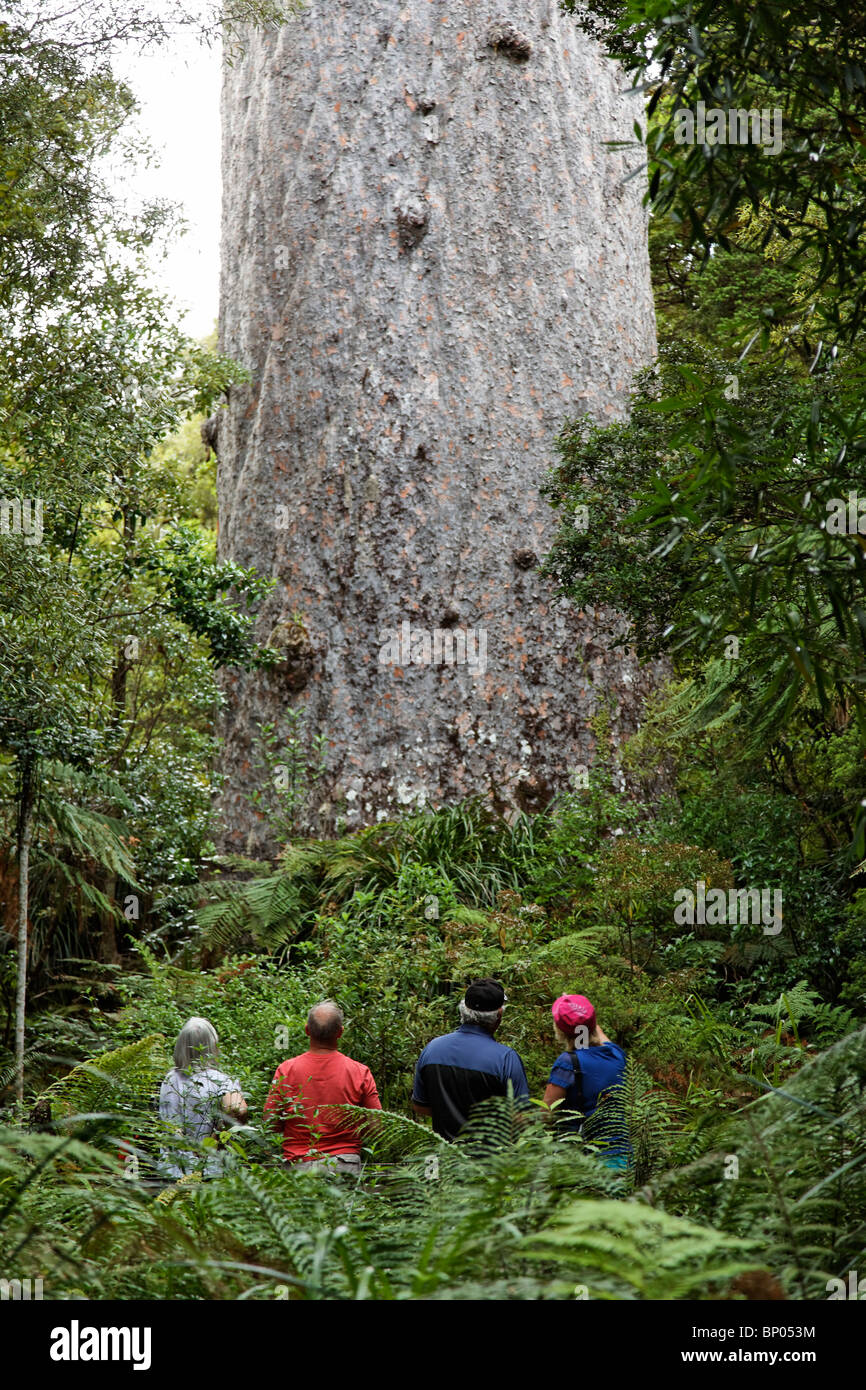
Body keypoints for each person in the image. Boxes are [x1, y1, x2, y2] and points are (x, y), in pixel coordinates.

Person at [264, 1000, 381, 1176]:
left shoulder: (286, 1070)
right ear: (340, 1032)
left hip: (298, 1165)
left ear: (307, 1030)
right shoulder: (359, 1072)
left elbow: (270, 1123)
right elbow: (376, 1128)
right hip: (344, 1164)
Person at [412, 978, 530, 1140]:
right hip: (490, 1159)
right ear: (499, 1016)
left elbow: (420, 1106)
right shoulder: (505, 1059)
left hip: (445, 1156)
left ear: (462, 1009)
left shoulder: (432, 1049)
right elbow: (521, 1120)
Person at [542, 994, 628, 1167]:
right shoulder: (616, 1054)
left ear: (560, 1030)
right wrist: (577, 1007)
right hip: (622, 1156)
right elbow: (594, 1031)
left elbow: (546, 1114)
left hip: (585, 1161)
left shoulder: (568, 1063)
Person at [158, 1016, 248, 1180]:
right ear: (212, 1045)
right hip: (210, 1170)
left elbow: (170, 1126)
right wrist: (216, 1139)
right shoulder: (220, 1080)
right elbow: (238, 1109)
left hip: (173, 1169)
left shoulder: (170, 1079)